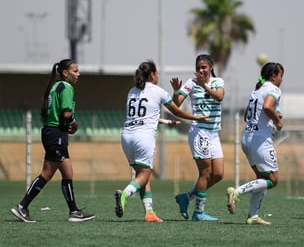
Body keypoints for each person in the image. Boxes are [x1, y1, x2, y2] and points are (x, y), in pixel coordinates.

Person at [114, 60, 209, 223]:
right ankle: (124, 194)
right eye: (157, 73)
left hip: (127, 135)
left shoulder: (132, 91)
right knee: (144, 175)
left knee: (142, 175)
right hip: (143, 137)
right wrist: (196, 117)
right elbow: (177, 111)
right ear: (152, 75)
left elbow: (144, 115)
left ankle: (149, 212)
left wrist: (165, 122)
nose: (158, 76)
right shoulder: (158, 91)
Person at [10, 59, 96, 223]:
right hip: (55, 134)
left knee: (67, 172)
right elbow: (66, 114)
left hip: (53, 133)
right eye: (75, 71)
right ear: (65, 73)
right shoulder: (66, 87)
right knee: (47, 173)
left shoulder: (55, 86)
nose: (78, 74)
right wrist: (74, 124)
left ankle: (74, 211)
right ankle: (22, 207)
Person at [226, 62, 284, 225]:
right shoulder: (273, 89)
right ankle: (236, 192)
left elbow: (247, 116)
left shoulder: (257, 91)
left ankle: (254, 215)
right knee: (272, 180)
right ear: (273, 77)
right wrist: (277, 120)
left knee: (261, 179)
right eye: (280, 76)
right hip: (260, 140)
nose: (281, 80)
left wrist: (274, 115)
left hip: (247, 138)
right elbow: (267, 107)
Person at [170, 54, 224, 221]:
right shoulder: (191, 83)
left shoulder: (218, 82)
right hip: (200, 131)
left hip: (214, 133)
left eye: (204, 67)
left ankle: (186, 197)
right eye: (198, 67)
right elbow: (175, 105)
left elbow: (219, 97)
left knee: (219, 174)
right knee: (205, 172)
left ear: (211, 68)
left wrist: (205, 86)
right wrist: (176, 91)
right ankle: (198, 212)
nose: (201, 70)